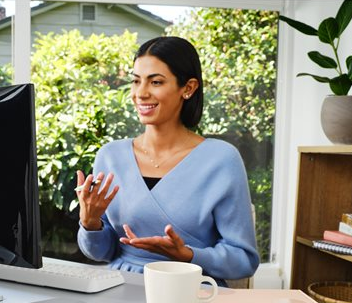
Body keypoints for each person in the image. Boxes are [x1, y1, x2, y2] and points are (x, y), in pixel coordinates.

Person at [75, 36, 259, 286]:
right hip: (121, 286)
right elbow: (102, 253)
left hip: (192, 291)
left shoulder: (221, 159)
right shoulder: (110, 156)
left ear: (188, 88)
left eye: (156, 82)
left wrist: (188, 255)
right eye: (136, 81)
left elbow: (244, 260)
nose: (141, 93)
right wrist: (90, 223)